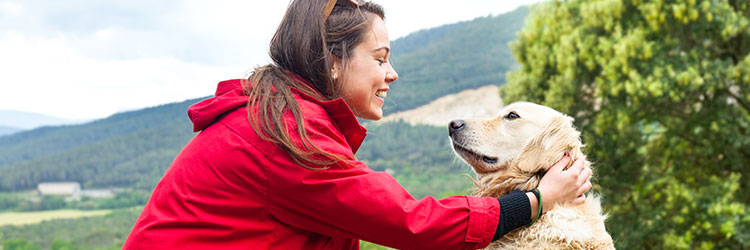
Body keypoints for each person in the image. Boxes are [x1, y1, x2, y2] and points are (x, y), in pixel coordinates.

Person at [122, 0, 592, 249]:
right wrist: (537, 201)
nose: (392, 74)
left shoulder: (279, 118)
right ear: (332, 63)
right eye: (380, 58)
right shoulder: (283, 136)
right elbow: (412, 224)